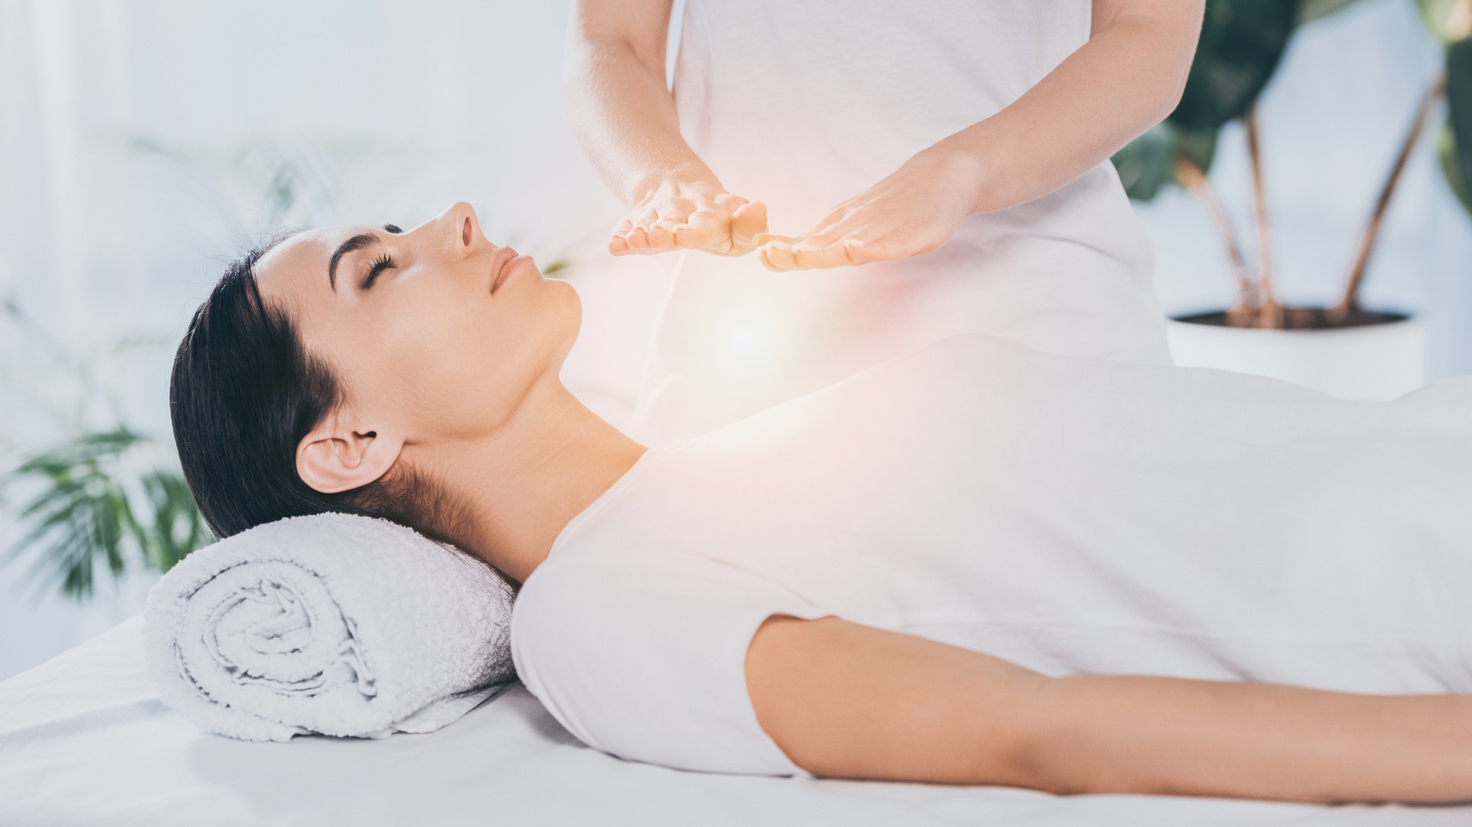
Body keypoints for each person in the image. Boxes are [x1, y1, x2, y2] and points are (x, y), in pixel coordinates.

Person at [171, 204, 1472, 802]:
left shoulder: (726, 439)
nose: (451, 219)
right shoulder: (595, 609)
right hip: (1419, 562)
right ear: (349, 442)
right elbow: (1047, 731)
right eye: (380, 268)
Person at [566, 0, 1216, 437]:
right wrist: (664, 180)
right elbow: (610, 43)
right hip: (749, 353)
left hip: (1039, 324)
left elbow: (1147, 34)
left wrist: (960, 172)